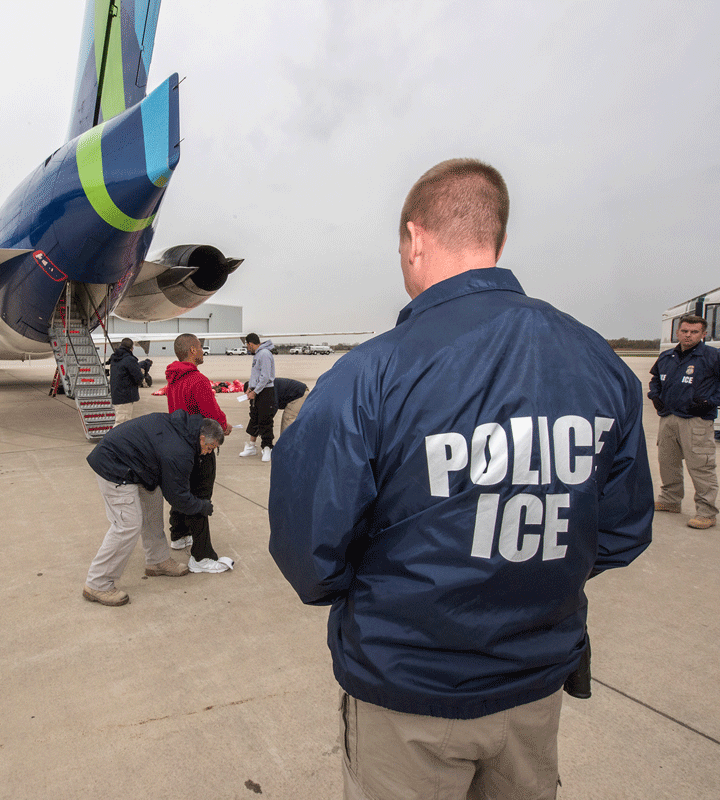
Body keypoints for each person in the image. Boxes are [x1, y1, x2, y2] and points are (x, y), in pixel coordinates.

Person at [268, 158, 654, 800]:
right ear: (496, 238)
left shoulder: (370, 374)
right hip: (535, 684)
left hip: (410, 692)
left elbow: (310, 553)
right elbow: (620, 533)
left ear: (415, 239)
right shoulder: (600, 363)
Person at [83, 412, 223, 606]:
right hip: (114, 465)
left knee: (153, 507)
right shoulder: (180, 450)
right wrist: (202, 506)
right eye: (209, 447)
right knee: (128, 525)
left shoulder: (186, 429)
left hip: (139, 466)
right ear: (201, 438)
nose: (208, 453)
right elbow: (178, 497)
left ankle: (157, 560)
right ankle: (97, 583)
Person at [649, 316, 720, 526]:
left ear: (703, 334)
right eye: (685, 331)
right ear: (677, 332)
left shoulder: (714, 356)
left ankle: (706, 512)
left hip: (696, 421)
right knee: (668, 462)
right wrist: (655, 396)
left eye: (694, 332)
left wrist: (711, 402)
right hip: (668, 418)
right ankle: (670, 500)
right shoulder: (667, 356)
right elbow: (655, 379)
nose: (688, 335)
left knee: (701, 466)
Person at [164, 333, 236, 573]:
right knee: (200, 497)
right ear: (193, 350)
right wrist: (223, 426)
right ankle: (202, 557)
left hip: (180, 444)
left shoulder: (173, 379)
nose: (203, 352)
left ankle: (179, 534)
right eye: (200, 348)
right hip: (200, 445)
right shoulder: (197, 380)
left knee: (182, 490)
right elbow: (211, 412)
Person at [240, 332, 276, 462]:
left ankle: (267, 448)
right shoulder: (258, 354)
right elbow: (255, 374)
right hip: (257, 390)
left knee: (265, 420)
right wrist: (250, 387)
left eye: (247, 345)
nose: (247, 348)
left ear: (250, 344)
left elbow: (265, 377)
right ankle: (251, 446)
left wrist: (255, 392)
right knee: (254, 418)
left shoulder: (264, 354)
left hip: (265, 392)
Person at [107, 338, 144, 426]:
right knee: (122, 423)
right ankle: (114, 435)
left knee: (121, 420)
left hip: (116, 394)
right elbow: (138, 377)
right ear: (131, 348)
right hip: (125, 395)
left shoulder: (115, 357)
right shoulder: (129, 359)